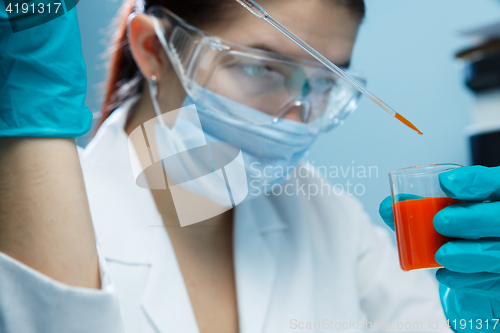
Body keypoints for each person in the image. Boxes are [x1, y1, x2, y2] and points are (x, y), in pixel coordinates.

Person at [0, 0, 499, 332]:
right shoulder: (46, 227)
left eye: (323, 82)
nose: (297, 116)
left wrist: (486, 318)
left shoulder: (325, 217)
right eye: (260, 66)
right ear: (153, 50)